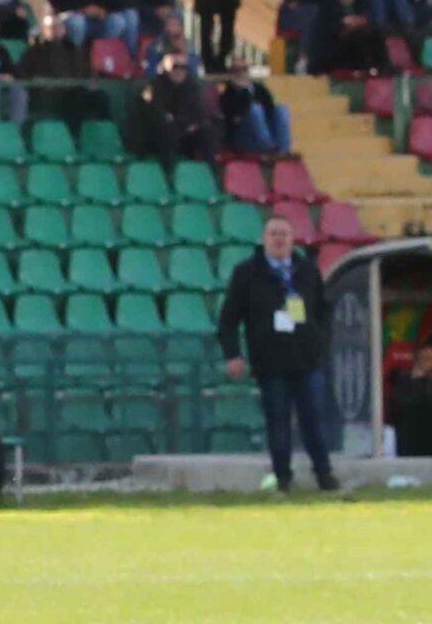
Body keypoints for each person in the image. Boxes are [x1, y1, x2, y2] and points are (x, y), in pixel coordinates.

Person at [218, 215, 338, 492]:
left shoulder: (306, 270)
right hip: (270, 362)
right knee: (278, 421)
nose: (279, 239)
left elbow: (322, 310)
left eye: (284, 233)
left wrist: (318, 341)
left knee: (313, 418)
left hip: (307, 360)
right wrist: (233, 354)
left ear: (292, 239)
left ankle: (324, 475)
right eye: (273, 234)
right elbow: (228, 319)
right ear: (264, 239)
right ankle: (283, 478)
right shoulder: (247, 273)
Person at [135, 51, 214, 165]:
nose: (180, 71)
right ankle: (169, 172)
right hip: (159, 137)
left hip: (184, 133)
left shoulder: (191, 87)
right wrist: (180, 122)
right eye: (175, 66)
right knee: (167, 129)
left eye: (184, 67)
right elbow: (155, 113)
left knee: (206, 131)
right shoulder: (154, 86)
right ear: (166, 67)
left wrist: (188, 124)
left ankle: (210, 171)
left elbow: (198, 113)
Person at [305, 0, 389, 78]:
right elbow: (327, 34)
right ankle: (367, 69)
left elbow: (368, 19)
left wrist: (359, 22)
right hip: (333, 53)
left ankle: (383, 68)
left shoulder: (359, 4)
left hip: (351, 48)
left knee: (375, 33)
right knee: (360, 35)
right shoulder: (327, 9)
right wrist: (344, 25)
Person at [220, 67, 292, 156]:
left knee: (281, 109)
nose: (241, 73)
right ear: (230, 75)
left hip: (263, 135)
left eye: (244, 69)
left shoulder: (259, 89)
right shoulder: (227, 94)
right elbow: (232, 119)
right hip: (242, 138)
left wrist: (250, 90)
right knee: (254, 109)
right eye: (236, 70)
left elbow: (270, 110)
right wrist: (243, 91)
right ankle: (268, 149)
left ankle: (283, 150)